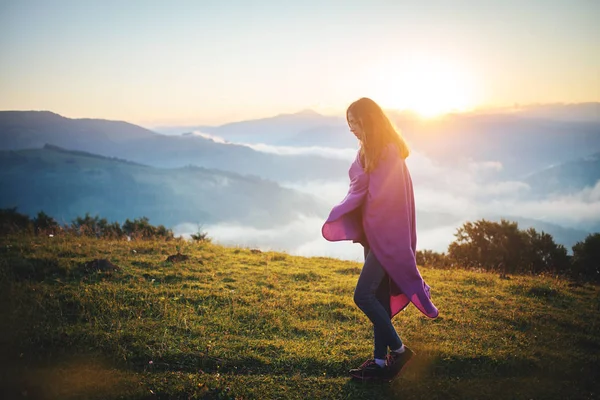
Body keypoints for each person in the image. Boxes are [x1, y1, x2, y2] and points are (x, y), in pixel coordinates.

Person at [322, 97, 439, 381]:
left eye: (354, 123)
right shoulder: (370, 150)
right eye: (348, 124)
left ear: (367, 120)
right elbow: (361, 187)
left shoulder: (387, 152)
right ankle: (379, 362)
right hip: (374, 237)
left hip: (388, 239)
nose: (351, 129)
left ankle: (399, 352)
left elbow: (389, 202)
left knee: (362, 296)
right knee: (378, 299)